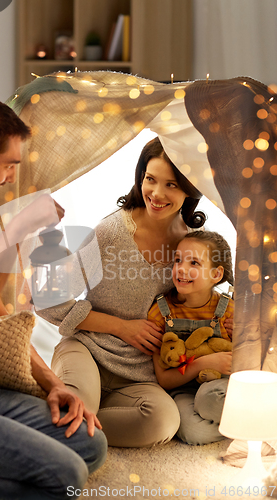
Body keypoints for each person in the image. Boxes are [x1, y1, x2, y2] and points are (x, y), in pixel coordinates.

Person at [0, 96, 107, 500]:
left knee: (88, 442)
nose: (12, 177)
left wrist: (51, 383)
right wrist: (16, 231)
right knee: (67, 475)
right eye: (8, 164)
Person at [39, 136, 208, 448]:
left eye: (171, 185)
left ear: (190, 189)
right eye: (150, 180)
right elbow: (48, 302)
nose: (156, 194)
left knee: (163, 421)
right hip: (86, 350)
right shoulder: (111, 232)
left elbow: (203, 307)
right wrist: (121, 327)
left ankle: (78, 428)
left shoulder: (193, 247)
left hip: (139, 376)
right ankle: (71, 421)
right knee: (77, 407)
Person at [149, 230, 234, 446]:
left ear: (216, 275)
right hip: (182, 391)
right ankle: (247, 426)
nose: (181, 269)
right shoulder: (160, 312)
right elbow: (165, 379)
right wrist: (203, 363)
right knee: (193, 432)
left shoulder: (229, 310)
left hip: (218, 386)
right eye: (178, 260)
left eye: (194, 263)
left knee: (209, 400)